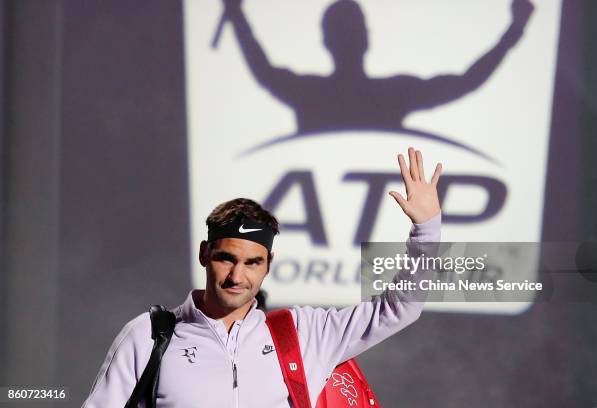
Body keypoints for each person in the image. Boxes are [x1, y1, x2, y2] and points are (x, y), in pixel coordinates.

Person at [82, 147, 443, 407]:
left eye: (252, 263)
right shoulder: (150, 335)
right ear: (205, 254)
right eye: (226, 258)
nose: (237, 275)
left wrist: (426, 230)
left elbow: (400, 309)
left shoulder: (302, 333)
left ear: (268, 264)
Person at [219, 0, 534, 133]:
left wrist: (236, 16)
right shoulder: (393, 93)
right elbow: (466, 81)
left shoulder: (308, 92)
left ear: (325, 42)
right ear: (367, 39)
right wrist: (514, 30)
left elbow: (264, 72)